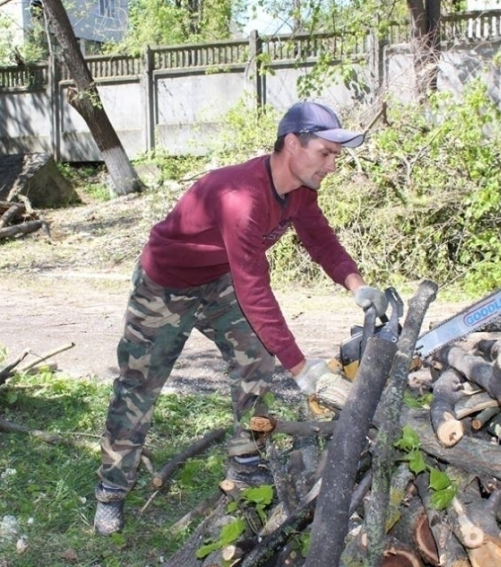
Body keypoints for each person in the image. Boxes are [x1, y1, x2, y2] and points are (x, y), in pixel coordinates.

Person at [93, 101, 387, 535]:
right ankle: (111, 492)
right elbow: (254, 290)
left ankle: (246, 462)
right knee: (140, 387)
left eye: (335, 156)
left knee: (256, 359)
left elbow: (321, 241)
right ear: (292, 143)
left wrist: (357, 286)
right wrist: (302, 368)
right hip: (165, 286)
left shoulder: (301, 191)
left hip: (218, 278)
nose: (332, 165)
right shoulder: (241, 198)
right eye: (325, 153)